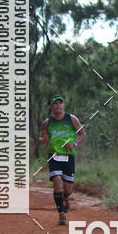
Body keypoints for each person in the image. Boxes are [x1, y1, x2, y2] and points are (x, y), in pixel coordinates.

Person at [38, 96, 86, 226]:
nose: (58, 105)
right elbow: (44, 138)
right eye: (55, 103)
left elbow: (82, 133)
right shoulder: (47, 122)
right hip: (54, 156)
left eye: (60, 103)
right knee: (57, 181)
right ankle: (61, 215)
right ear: (51, 107)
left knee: (68, 189)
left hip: (69, 156)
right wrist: (42, 140)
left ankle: (64, 198)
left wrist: (74, 144)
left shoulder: (72, 119)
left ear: (64, 106)